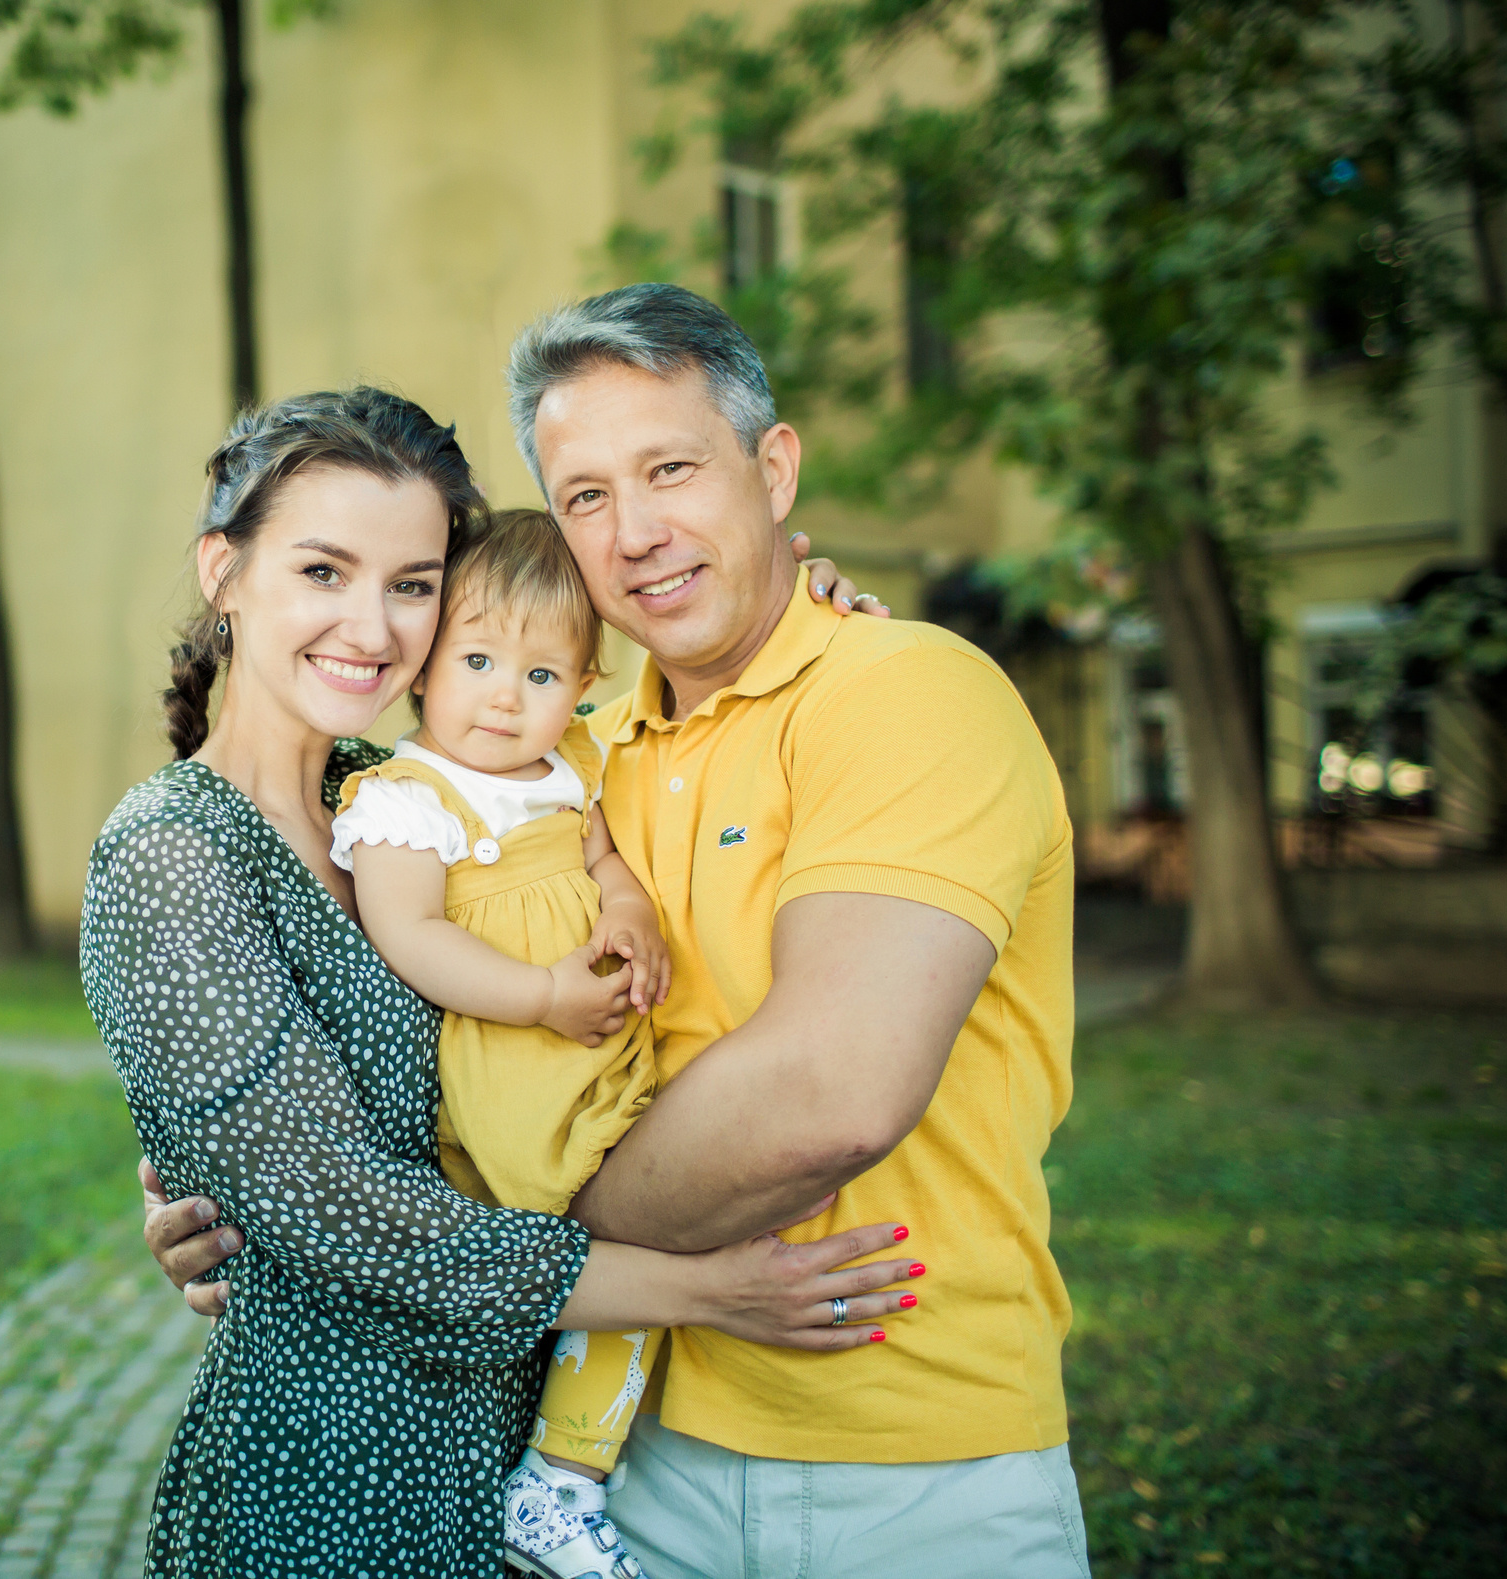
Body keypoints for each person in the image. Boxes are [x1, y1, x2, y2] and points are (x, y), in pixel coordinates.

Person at [143, 286, 1090, 1579]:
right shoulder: (564, 741)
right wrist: (237, 1186)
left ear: (774, 467)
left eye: (672, 469)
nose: (636, 531)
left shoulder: (902, 690)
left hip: (898, 1449)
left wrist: (504, 1229)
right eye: (586, 495)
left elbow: (831, 1093)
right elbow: (346, 1031)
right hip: (621, 1456)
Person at [327, 506, 671, 1577]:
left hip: (595, 1044)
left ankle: (565, 1473)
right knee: (617, 1245)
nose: (503, 697)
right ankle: (556, 1483)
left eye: (540, 675)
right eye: (476, 660)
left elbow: (606, 860)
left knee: (661, 1222)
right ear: (425, 668)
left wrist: (630, 913)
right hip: (518, 1057)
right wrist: (537, 998)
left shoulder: (570, 765)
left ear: (581, 687)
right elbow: (413, 937)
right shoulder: (405, 799)